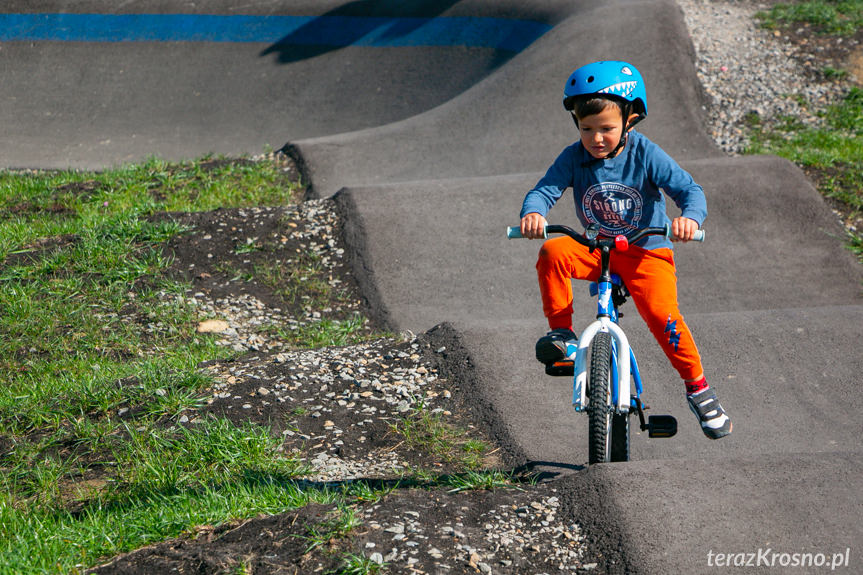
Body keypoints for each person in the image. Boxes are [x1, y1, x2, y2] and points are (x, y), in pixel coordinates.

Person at [519, 60, 731, 439]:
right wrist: (534, 212)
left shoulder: (645, 154)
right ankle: (563, 336)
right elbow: (544, 189)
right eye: (587, 129)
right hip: (596, 248)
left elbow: (689, 190)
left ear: (630, 120)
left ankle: (698, 388)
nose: (596, 138)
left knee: (663, 317)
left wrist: (690, 220)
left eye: (606, 129)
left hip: (646, 251)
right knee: (552, 252)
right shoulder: (574, 157)